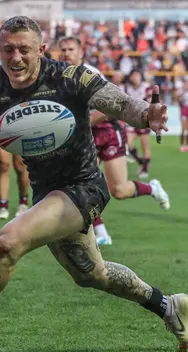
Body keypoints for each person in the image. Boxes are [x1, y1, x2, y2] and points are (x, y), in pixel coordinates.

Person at [0, 16, 188, 352]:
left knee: (9, 242)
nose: (16, 57)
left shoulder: (71, 77)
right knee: (90, 274)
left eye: (24, 49)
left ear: (42, 49)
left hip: (84, 186)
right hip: (47, 193)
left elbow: (122, 103)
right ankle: (167, 305)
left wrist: (147, 115)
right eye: (7, 49)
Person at [57, 36, 170, 246]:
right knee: (83, 186)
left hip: (108, 132)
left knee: (118, 190)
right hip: (84, 137)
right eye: (62, 49)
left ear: (81, 53)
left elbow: (108, 110)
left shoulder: (90, 74)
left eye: (70, 49)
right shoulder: (58, 79)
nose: (66, 53)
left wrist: (83, 123)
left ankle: (152, 189)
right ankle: (102, 233)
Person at [0, 129, 31, 220]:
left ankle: (23, 202)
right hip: (1, 128)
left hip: (20, 126)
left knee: (20, 166)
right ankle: (3, 206)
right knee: (4, 165)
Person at [124, 70, 152, 177]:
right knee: (128, 144)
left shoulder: (146, 87)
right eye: (133, 75)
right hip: (133, 121)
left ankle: (144, 169)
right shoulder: (127, 88)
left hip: (144, 121)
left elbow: (152, 102)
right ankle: (141, 162)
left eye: (137, 75)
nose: (135, 77)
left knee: (145, 147)